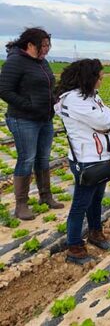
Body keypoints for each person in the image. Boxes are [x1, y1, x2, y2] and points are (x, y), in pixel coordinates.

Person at [55, 59, 110, 265]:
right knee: (81, 204)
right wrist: (104, 123)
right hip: (86, 159)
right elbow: (105, 121)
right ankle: (74, 246)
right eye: (100, 76)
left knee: (96, 199)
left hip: (99, 157)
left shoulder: (90, 95)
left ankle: (95, 233)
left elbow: (108, 119)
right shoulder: (73, 99)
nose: (102, 79)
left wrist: (104, 122)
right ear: (89, 77)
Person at [0, 27, 63, 220]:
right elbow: (4, 90)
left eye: (48, 45)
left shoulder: (42, 62)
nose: (46, 49)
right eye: (43, 45)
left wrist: (55, 99)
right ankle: (21, 205)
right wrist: (29, 106)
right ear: (30, 45)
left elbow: (49, 85)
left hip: (45, 118)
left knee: (43, 158)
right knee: (26, 158)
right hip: (23, 119)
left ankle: (46, 196)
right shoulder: (16, 61)